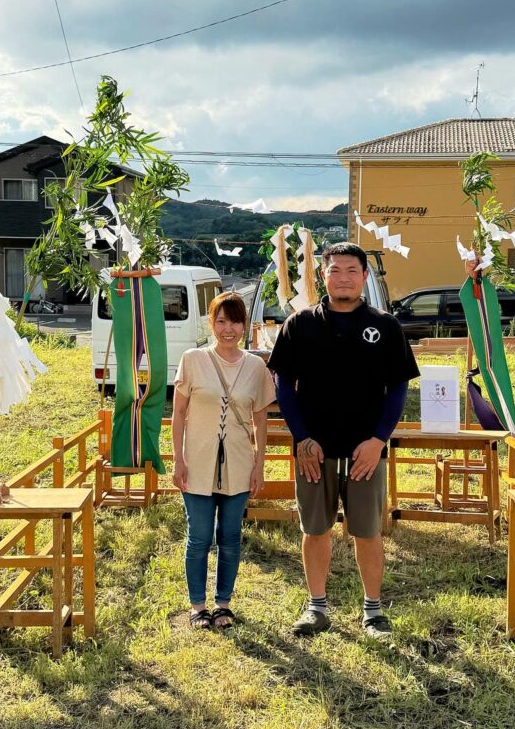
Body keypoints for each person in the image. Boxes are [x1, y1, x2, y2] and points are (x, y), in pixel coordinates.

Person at [267, 243, 420, 639]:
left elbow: (397, 388)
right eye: (335, 270)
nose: (344, 277)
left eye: (352, 270)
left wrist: (377, 440)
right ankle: (316, 606)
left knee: (367, 531)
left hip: (364, 451)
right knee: (314, 529)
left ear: (365, 277)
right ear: (323, 276)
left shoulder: (385, 326)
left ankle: (373, 610)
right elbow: (284, 385)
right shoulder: (300, 325)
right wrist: (301, 438)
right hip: (313, 451)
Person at [172, 291, 275, 630]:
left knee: (230, 537)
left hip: (239, 463)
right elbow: (178, 414)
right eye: (220, 321)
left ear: (244, 325)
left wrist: (259, 465)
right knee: (199, 536)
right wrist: (178, 459)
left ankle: (223, 604)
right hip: (197, 461)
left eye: (234, 321)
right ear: (211, 323)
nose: (227, 328)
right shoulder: (192, 359)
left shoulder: (256, 366)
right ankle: (197, 606)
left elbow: (260, 420)